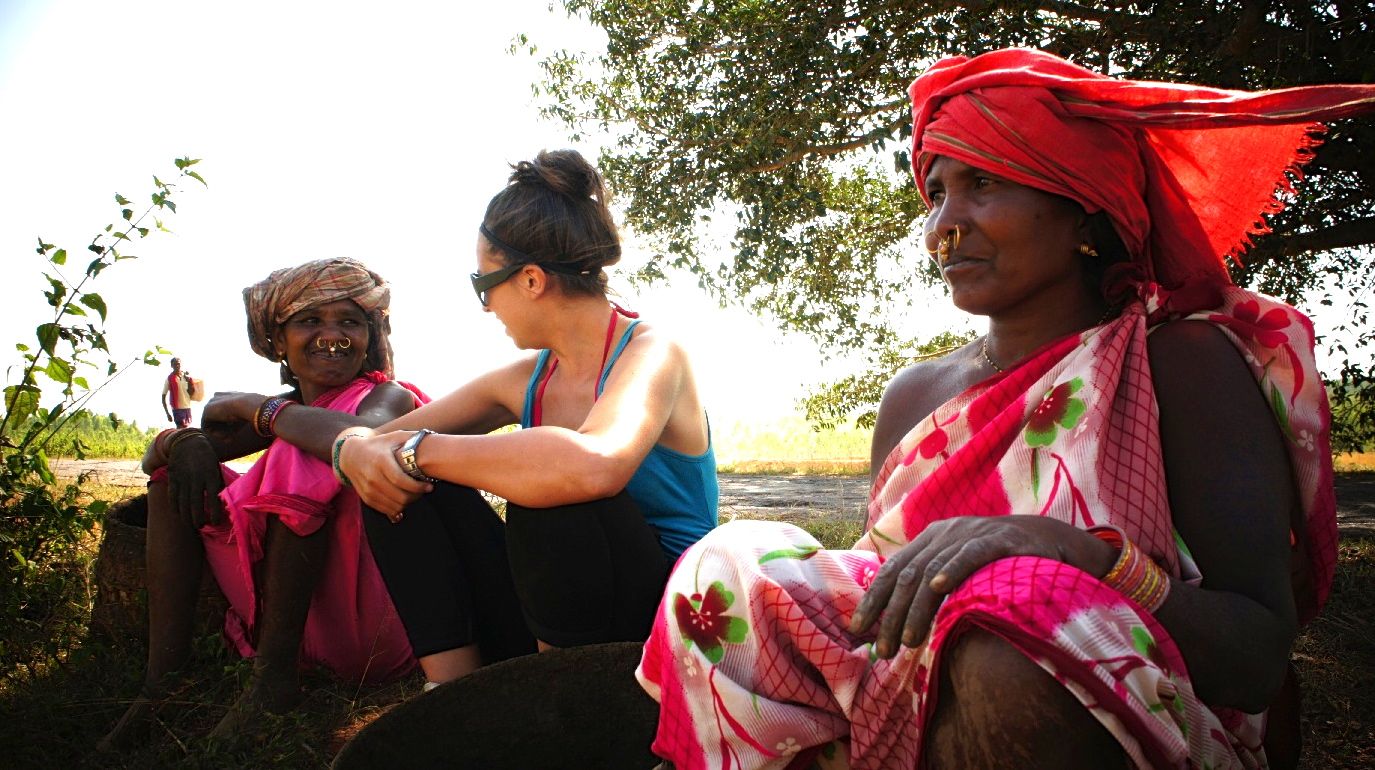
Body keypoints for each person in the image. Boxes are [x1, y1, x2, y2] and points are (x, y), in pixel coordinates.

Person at [634, 49, 1374, 769]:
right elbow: (881, 626)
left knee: (1015, 611)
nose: (942, 227)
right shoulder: (915, 396)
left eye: (982, 183)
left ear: (1083, 210)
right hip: (903, 726)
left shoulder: (1177, 365)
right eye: (935, 194)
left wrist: (1077, 556)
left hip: (1131, 725)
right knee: (728, 559)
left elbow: (1254, 655)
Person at [335, 149, 718, 689]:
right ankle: (453, 697)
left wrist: (415, 450)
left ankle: (563, 707)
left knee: (552, 483)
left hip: (665, 620)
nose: (487, 306)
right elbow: (381, 444)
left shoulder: (654, 353)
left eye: (483, 284)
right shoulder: (525, 379)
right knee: (397, 483)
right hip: (558, 612)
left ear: (532, 280)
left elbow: (594, 466)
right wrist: (356, 448)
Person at [100, 258, 426, 750]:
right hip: (298, 619)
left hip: (372, 627)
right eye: (310, 321)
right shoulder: (283, 410)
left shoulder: (387, 397)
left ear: (369, 336)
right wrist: (181, 442)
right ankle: (162, 683)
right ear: (277, 340)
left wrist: (261, 409)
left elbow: (353, 438)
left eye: (350, 321)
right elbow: (154, 461)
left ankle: (273, 682)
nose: (332, 334)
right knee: (174, 475)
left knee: (304, 450)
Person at [161, 357, 196, 428]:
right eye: (175, 364)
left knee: (187, 430)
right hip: (177, 409)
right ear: (171, 366)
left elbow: (191, 393)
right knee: (182, 428)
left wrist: (189, 381)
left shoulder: (186, 376)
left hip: (187, 407)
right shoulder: (169, 379)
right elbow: (163, 397)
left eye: (178, 364)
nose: (177, 366)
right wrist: (167, 413)